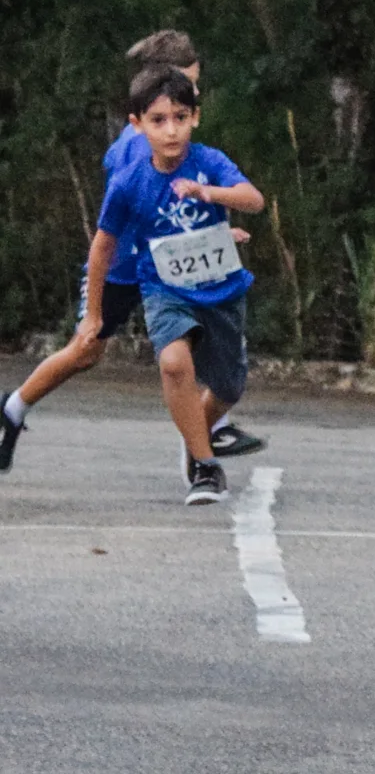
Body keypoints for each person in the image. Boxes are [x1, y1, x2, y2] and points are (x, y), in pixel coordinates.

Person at [2, 32, 263, 471]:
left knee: (192, 335)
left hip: (163, 264)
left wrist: (211, 233)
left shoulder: (177, 137)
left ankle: (208, 433)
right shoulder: (134, 146)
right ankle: (12, 410)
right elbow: (133, 211)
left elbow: (177, 205)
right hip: (125, 267)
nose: (196, 92)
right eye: (190, 81)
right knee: (85, 350)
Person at [87, 66, 266, 505]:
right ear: (137, 125)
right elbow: (102, 248)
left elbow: (254, 200)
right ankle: (206, 468)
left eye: (180, 118)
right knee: (173, 362)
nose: (171, 131)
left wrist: (210, 195)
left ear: (195, 118)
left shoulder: (209, 162)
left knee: (228, 388)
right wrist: (93, 313)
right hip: (164, 288)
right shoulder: (129, 182)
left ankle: (195, 438)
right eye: (158, 120)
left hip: (220, 289)